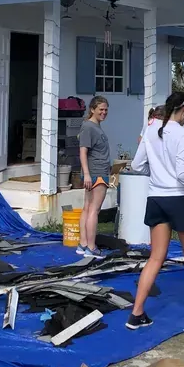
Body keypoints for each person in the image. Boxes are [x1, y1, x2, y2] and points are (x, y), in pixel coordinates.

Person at [127, 91, 184, 332]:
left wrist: (158, 170)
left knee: (155, 257)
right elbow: (182, 174)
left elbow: (137, 164)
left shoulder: (150, 129)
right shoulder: (183, 134)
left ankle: (136, 315)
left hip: (156, 199)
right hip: (179, 199)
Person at [77, 96, 111, 259]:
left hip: (96, 172)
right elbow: (83, 151)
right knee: (93, 210)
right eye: (101, 110)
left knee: (87, 208)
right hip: (96, 173)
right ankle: (91, 247)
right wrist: (87, 174)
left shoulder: (94, 127)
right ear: (92, 109)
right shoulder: (89, 127)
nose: (104, 112)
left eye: (106, 109)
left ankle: (83, 244)